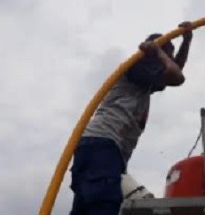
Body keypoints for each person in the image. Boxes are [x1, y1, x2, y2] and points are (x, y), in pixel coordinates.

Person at [69, 22, 194, 215]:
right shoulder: (136, 67)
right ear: (154, 54)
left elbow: (175, 71)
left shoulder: (145, 81)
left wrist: (187, 40)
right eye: (166, 54)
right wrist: (158, 52)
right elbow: (177, 77)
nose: (167, 60)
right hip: (102, 145)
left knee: (88, 209)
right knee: (103, 208)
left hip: (100, 150)